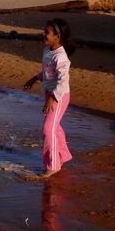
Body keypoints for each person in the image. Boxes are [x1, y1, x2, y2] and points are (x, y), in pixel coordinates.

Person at [23, 18, 75, 178]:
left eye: (47, 32)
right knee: (55, 127)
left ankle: (53, 166)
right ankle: (64, 155)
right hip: (50, 94)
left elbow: (62, 80)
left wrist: (52, 98)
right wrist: (35, 78)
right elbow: (47, 72)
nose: (43, 33)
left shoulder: (61, 58)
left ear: (57, 37)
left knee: (48, 129)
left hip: (59, 96)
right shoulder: (47, 50)